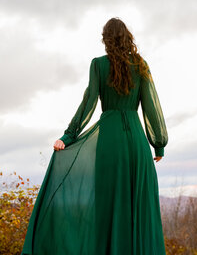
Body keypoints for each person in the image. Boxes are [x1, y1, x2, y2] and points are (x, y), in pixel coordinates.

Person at [21, 17, 169, 255]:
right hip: (138, 146)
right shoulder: (141, 65)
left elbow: (88, 103)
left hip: (110, 142)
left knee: (107, 208)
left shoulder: (98, 65)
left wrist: (69, 136)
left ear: (106, 40)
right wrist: (158, 145)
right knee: (139, 208)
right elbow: (152, 107)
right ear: (127, 37)